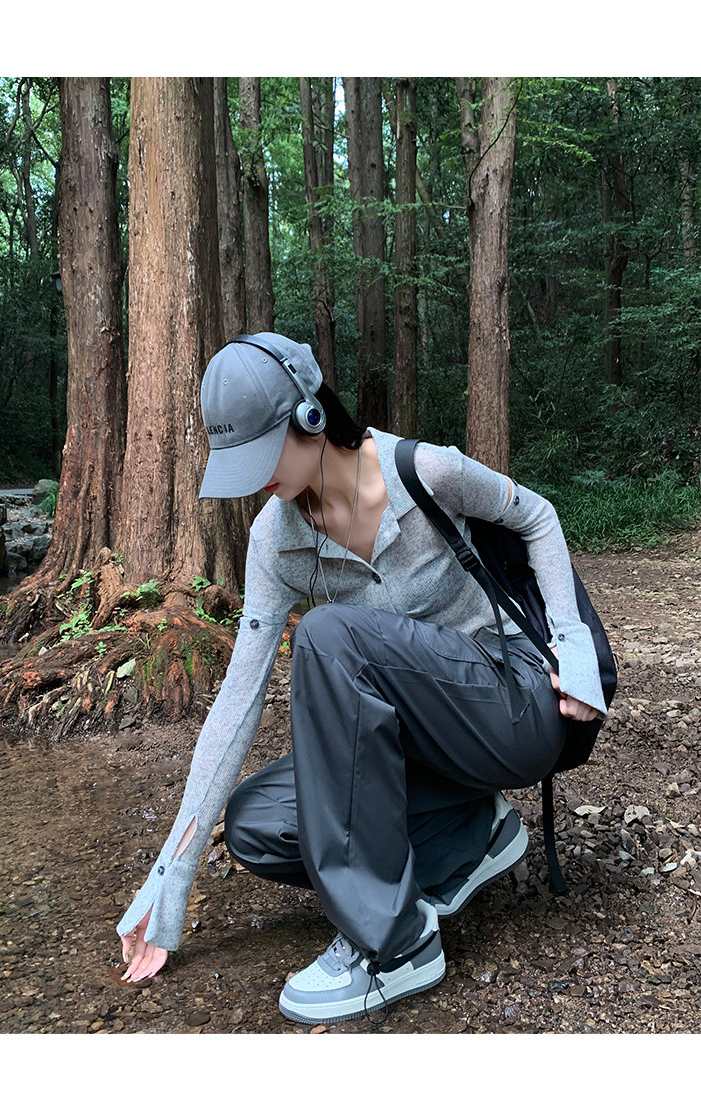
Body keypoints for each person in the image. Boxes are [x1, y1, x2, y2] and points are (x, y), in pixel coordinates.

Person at [117, 331, 605, 1026]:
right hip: (425, 746)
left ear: (310, 414)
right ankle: (471, 834)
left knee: (327, 634)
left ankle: (394, 944)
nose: (254, 479)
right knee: (258, 822)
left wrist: (572, 647)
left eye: (262, 452)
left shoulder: (422, 470)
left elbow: (537, 515)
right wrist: (171, 874)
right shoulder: (273, 543)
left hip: (512, 704)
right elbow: (236, 704)